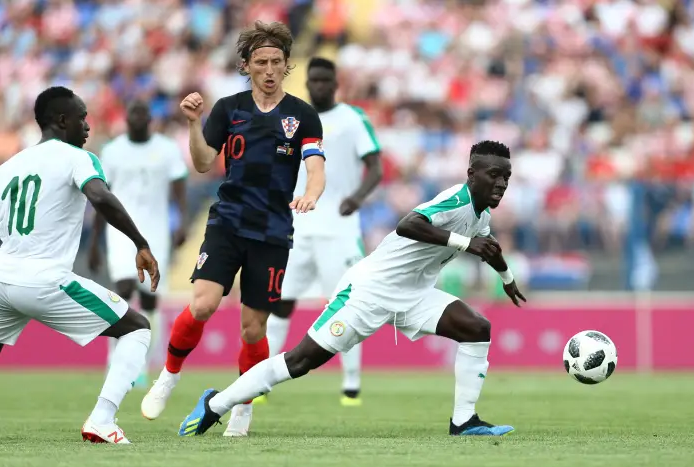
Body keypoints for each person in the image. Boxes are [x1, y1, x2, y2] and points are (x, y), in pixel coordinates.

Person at [178, 140, 526, 438]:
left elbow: (488, 247)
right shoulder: (455, 200)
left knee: (477, 329)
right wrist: (467, 245)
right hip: (369, 292)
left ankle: (463, 421)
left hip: (415, 296)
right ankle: (214, 403)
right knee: (300, 361)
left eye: (506, 176)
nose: (501, 183)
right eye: (493, 175)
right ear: (471, 175)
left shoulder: (480, 218)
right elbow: (409, 224)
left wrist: (508, 280)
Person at [141, 21, 326, 439]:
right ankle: (169, 376)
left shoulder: (302, 114)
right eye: (261, 62)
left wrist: (311, 194)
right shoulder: (229, 108)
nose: (269, 69)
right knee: (203, 305)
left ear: (286, 65)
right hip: (228, 221)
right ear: (246, 65)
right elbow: (205, 162)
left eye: (277, 62)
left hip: (274, 231)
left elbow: (315, 167)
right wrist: (193, 123)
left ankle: (243, 405)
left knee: (253, 328)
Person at [0, 86, 160, 444]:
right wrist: (141, 242)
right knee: (136, 328)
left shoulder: (9, 167)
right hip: (43, 280)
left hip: (2, 277)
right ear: (61, 120)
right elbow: (100, 196)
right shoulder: (76, 157)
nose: (87, 126)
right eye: (82, 118)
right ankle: (102, 419)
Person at [264, 57, 382, 407]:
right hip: (295, 227)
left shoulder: (353, 119)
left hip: (339, 229)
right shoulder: (290, 118)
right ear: (307, 83)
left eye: (324, 80)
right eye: (312, 80)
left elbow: (375, 166)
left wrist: (357, 198)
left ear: (335, 84)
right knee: (280, 302)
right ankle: (262, 380)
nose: (318, 85)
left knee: (348, 304)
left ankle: (351, 385)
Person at [88, 100, 188, 387]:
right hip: (120, 232)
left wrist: (181, 221)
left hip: (156, 232)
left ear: (150, 119)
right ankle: (115, 359)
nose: (139, 118)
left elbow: (179, 185)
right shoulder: (113, 151)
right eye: (134, 113)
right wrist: (95, 241)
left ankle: (143, 364)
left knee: (150, 300)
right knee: (122, 290)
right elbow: (101, 196)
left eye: (144, 113)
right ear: (127, 118)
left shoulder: (166, 149)